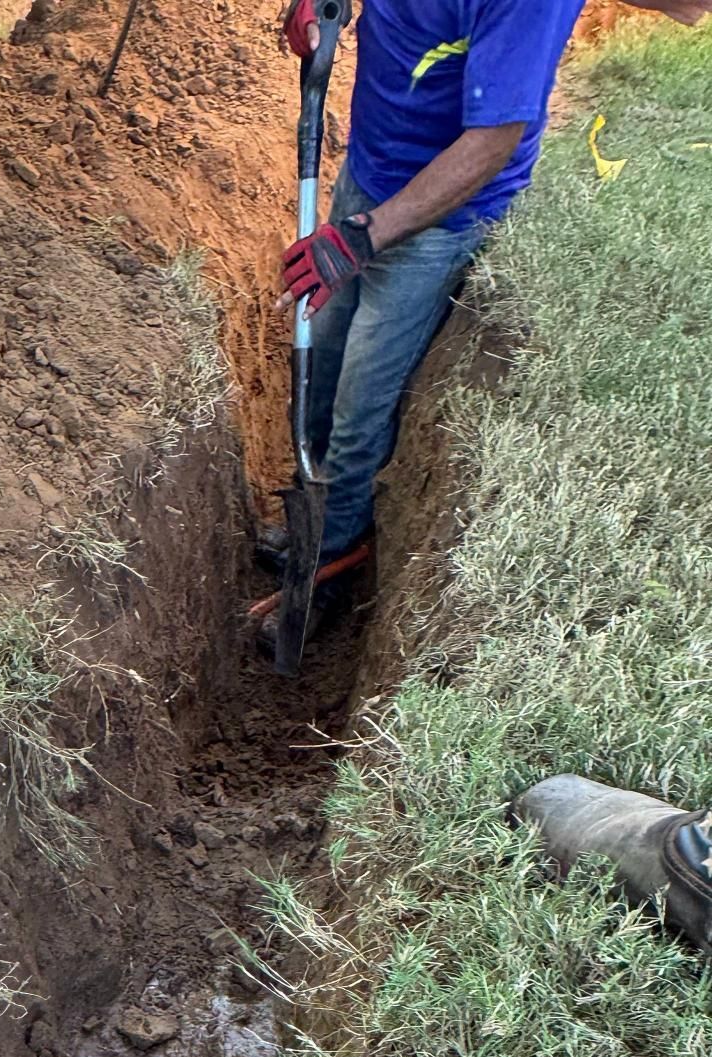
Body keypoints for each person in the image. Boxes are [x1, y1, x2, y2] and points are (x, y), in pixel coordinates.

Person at [265, 0, 711, 634]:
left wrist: (366, 236)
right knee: (323, 346)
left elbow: (492, 140)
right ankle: (308, 514)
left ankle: (331, 560)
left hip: (434, 217)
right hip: (370, 165)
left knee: (360, 400)